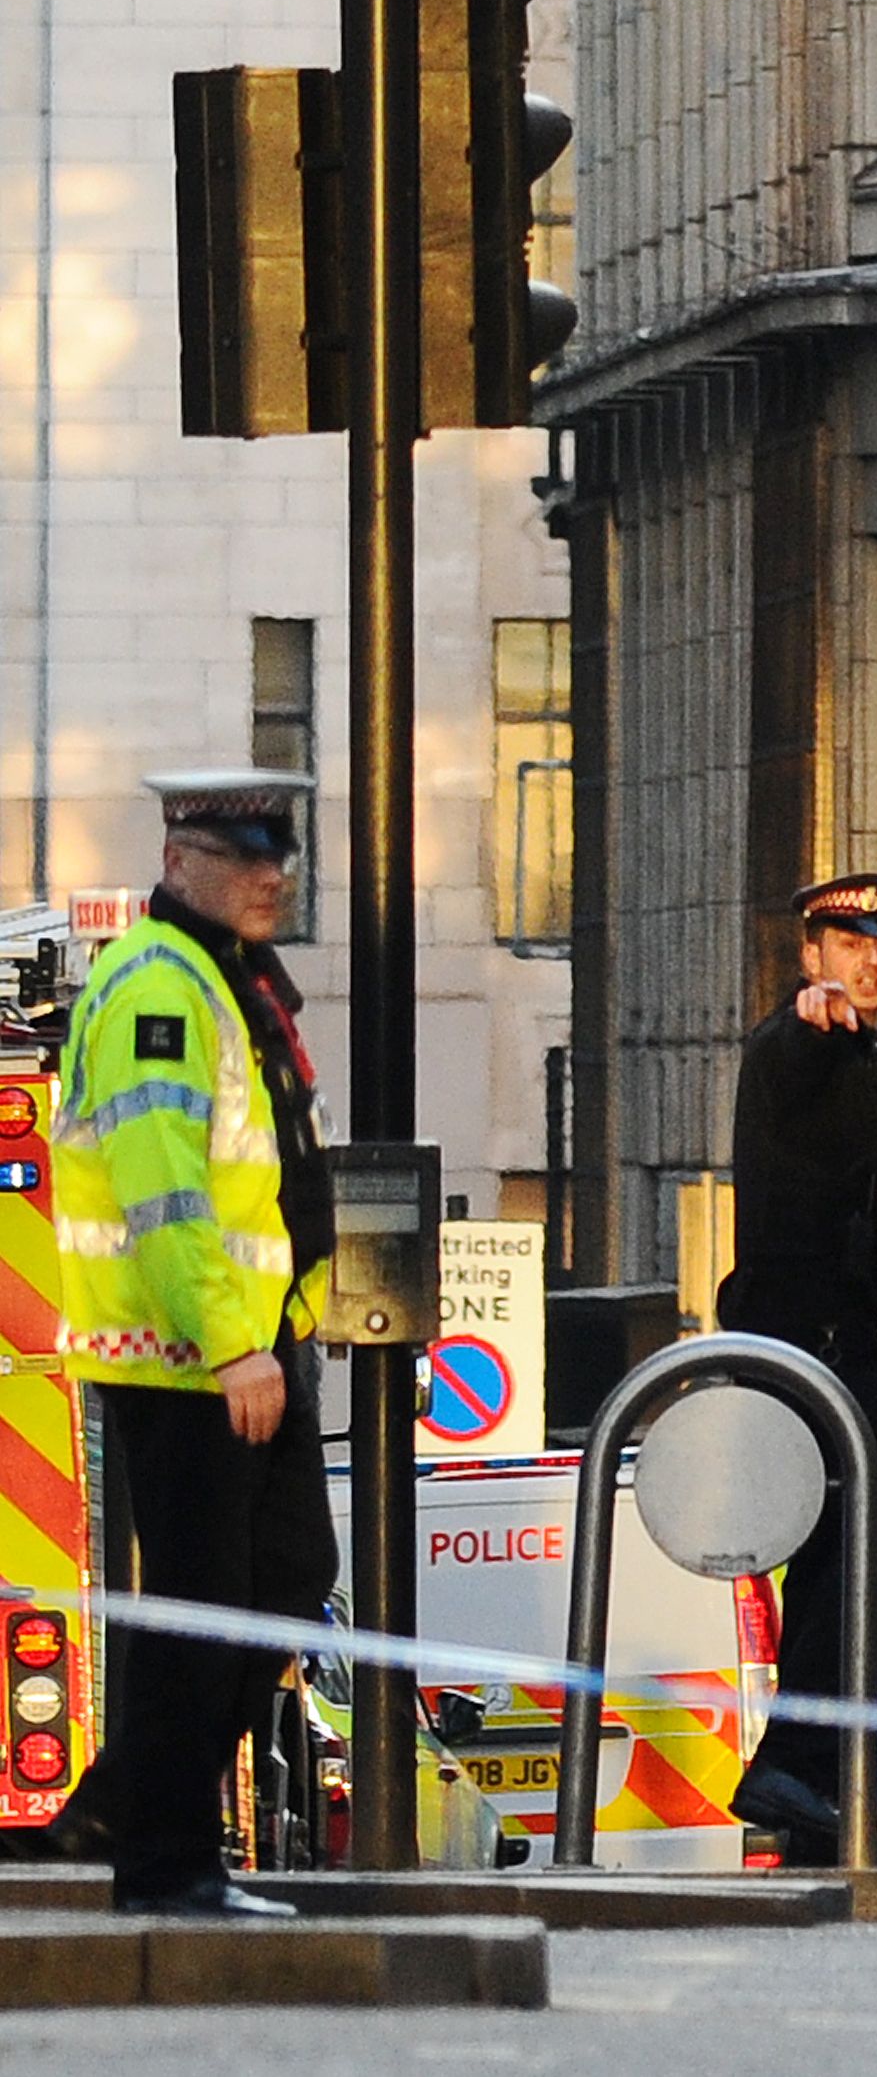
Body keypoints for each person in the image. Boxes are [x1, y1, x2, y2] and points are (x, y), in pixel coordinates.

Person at [47, 772, 339, 1917]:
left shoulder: (226, 981)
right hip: (186, 1357)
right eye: (244, 854)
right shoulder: (158, 987)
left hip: (253, 1346)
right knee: (207, 1601)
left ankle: (125, 1806)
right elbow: (163, 1188)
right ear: (179, 862)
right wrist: (231, 1345)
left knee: (283, 1584)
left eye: (280, 856)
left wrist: (279, 1331)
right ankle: (165, 1861)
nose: (272, 873)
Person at [717, 873, 877, 1862]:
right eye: (849, 943)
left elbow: (865, 1208)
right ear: (809, 955)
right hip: (808, 1336)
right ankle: (798, 1761)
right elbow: (798, 1046)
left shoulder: (862, 1056)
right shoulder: (808, 1040)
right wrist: (812, 1014)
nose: (870, 961)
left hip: (837, 1327)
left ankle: (826, 1797)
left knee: (848, 1557)